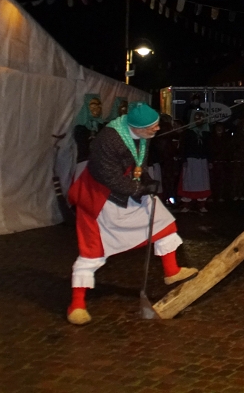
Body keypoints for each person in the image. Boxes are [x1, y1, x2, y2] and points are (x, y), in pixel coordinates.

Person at [66, 102, 197, 325]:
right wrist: (138, 188)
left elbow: (138, 164)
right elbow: (107, 176)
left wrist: (146, 180)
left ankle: (171, 270)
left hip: (126, 189)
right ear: (137, 127)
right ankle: (76, 304)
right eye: (153, 127)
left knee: (162, 218)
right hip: (100, 199)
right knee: (93, 251)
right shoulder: (108, 140)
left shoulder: (142, 135)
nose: (157, 129)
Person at [179, 110, 211, 212]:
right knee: (189, 181)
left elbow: (209, 148)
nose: (199, 119)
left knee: (202, 182)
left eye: (201, 117)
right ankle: (186, 205)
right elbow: (184, 146)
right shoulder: (188, 132)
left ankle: (201, 204)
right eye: (196, 117)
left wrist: (210, 161)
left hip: (202, 161)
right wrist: (184, 159)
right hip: (191, 160)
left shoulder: (206, 133)